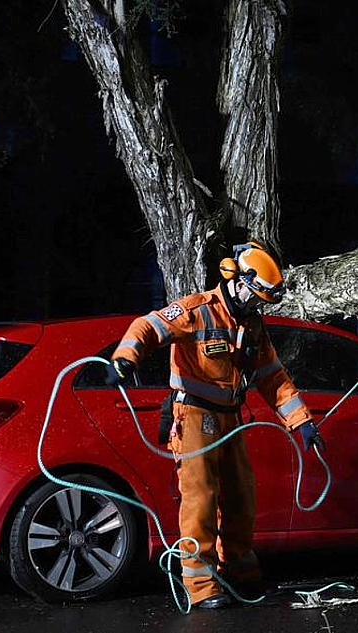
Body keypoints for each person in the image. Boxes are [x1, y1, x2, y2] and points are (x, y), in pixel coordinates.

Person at [105, 242, 325, 609]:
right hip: (193, 416)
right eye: (255, 298)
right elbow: (148, 325)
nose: (257, 307)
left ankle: (239, 573)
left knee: (242, 496)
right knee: (200, 499)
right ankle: (201, 586)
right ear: (238, 281)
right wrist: (124, 359)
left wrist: (301, 422)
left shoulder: (251, 325)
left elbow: (273, 377)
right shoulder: (196, 311)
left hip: (229, 418)